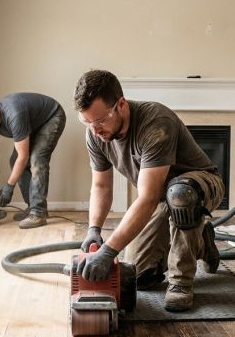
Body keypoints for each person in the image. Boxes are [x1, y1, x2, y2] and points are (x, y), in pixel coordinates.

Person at [74, 70, 224, 312]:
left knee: (180, 195)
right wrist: (94, 230)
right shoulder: (96, 135)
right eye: (87, 122)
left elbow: (147, 197)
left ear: (121, 105)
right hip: (164, 198)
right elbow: (101, 185)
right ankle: (202, 242)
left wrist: (109, 250)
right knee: (139, 273)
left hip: (201, 185)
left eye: (100, 121)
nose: (95, 130)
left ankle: (181, 283)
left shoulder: (155, 122)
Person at [0, 93, 66, 229]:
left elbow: (23, 155)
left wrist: (9, 186)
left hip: (51, 117)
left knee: (37, 159)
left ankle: (38, 213)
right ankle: (32, 207)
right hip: (32, 124)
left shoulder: (14, 114)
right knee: (15, 161)